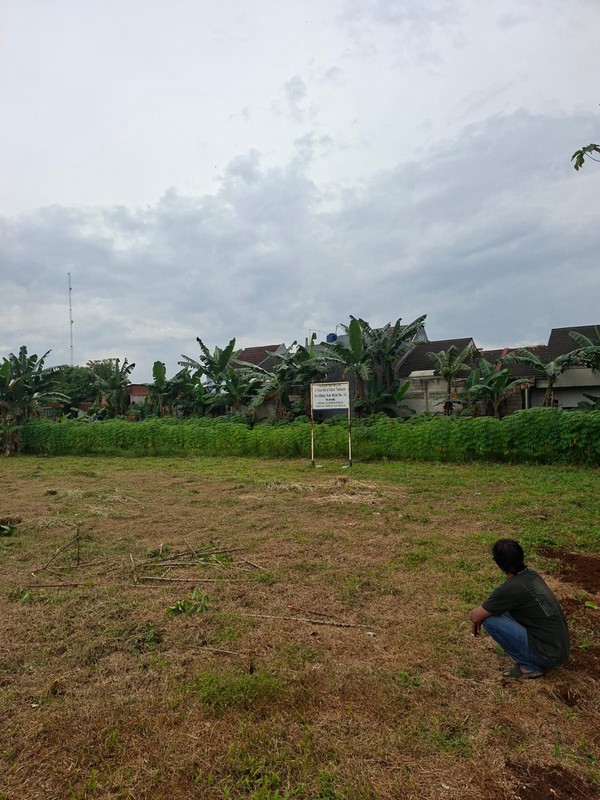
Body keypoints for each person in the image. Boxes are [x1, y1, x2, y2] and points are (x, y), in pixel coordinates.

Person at [470, 539, 569, 679]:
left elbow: (475, 616)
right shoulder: (532, 576)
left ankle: (528, 667)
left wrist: (478, 620)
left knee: (490, 620)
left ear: (498, 563)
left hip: (548, 655)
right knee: (498, 611)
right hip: (559, 650)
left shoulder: (511, 588)